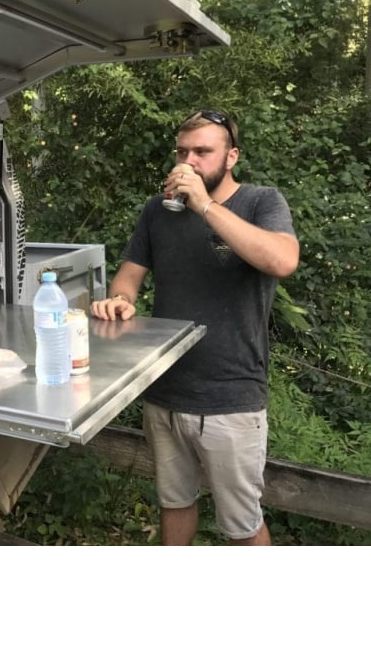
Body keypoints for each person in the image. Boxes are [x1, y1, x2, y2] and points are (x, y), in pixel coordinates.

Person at [90, 110, 299, 546]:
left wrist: (205, 205)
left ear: (231, 156)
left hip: (230, 397)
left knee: (241, 525)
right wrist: (121, 301)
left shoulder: (261, 202)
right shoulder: (157, 211)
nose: (189, 162)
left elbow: (282, 261)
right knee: (175, 502)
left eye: (203, 152)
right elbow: (129, 275)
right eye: (183, 151)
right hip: (163, 390)